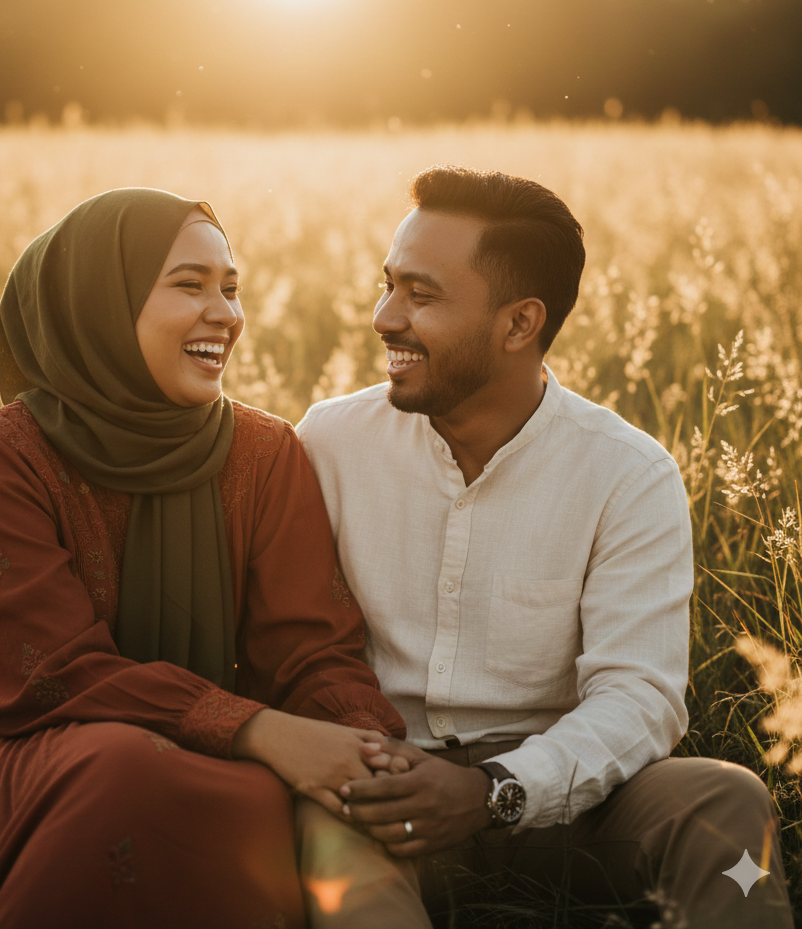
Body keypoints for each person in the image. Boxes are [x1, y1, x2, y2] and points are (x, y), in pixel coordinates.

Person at [0, 188, 408, 929]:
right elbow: (45, 675)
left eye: (232, 289)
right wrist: (259, 732)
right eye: (190, 285)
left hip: (220, 747)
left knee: (254, 793)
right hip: (30, 751)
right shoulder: (3, 456)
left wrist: (365, 746)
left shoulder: (265, 453)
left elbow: (311, 647)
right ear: (100, 303)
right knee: (128, 769)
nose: (226, 314)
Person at [295, 165, 793, 928]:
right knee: (323, 830)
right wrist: (374, 768)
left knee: (726, 798)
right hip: (378, 795)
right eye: (388, 284)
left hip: (566, 803)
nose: (383, 317)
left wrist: (496, 789)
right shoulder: (329, 442)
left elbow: (640, 698)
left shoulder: (627, 474)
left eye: (420, 295)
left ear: (520, 323)